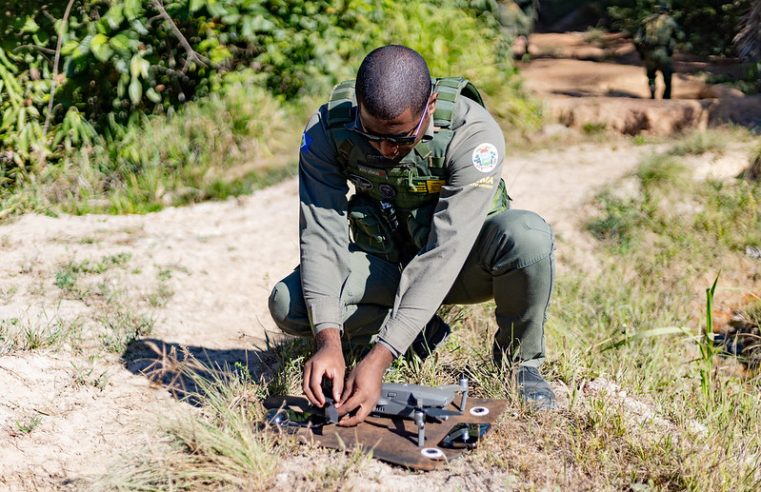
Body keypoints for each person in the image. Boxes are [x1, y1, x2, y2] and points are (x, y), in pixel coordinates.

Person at [268, 45, 556, 427]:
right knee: (289, 304)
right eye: (372, 136)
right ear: (358, 108)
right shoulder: (329, 131)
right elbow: (321, 236)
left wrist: (382, 357)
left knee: (528, 237)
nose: (387, 150)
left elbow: (445, 253)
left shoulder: (472, 135)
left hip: (458, 268)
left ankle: (521, 363)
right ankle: (411, 336)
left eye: (403, 139)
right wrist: (327, 340)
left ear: (431, 105)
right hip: (383, 261)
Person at [634, 2, 682, 99]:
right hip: (663, 52)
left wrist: (641, 53)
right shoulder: (669, 21)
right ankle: (666, 98)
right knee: (667, 77)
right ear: (667, 10)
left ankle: (652, 95)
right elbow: (680, 35)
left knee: (651, 76)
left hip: (649, 53)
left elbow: (636, 40)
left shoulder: (646, 21)